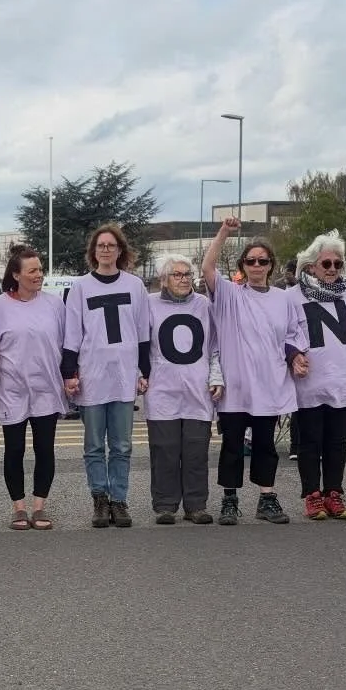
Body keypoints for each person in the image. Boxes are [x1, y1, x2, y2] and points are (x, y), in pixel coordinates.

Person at [201, 217, 306, 525]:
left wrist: (296, 357)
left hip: (269, 385)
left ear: (270, 265)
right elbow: (207, 268)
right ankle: (230, 499)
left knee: (265, 444)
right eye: (251, 261)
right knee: (232, 445)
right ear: (243, 265)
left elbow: (292, 335)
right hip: (237, 386)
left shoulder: (283, 299)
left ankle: (267, 498)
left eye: (263, 261)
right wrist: (223, 233)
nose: (257, 265)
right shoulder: (230, 295)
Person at [62, 223, 151, 529]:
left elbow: (143, 332)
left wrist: (144, 371)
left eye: (111, 245)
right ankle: (100, 498)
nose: (106, 250)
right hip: (93, 376)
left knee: (123, 445)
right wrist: (69, 372)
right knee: (94, 446)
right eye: (101, 245)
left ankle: (119, 499)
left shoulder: (134, 286)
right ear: (93, 251)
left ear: (120, 250)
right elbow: (72, 334)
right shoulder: (81, 288)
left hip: (124, 376)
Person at [289, 230, 346, 520]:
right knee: (309, 441)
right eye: (327, 264)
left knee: (337, 440)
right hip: (309, 379)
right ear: (311, 266)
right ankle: (312, 494)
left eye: (338, 263)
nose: (333, 269)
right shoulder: (293, 296)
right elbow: (284, 334)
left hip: (341, 377)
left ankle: (334, 491)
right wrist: (292, 355)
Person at [145, 254, 223, 524]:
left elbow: (214, 346)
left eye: (187, 274)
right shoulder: (149, 304)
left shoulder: (204, 305)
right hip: (162, 388)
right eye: (176, 275)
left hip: (197, 388)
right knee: (164, 448)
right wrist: (140, 374)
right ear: (163, 280)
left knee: (196, 449)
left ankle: (196, 504)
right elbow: (141, 344)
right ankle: (165, 505)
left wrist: (216, 377)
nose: (183, 279)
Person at [0, 245, 66, 530]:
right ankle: (18, 508)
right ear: (16, 274)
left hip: (47, 387)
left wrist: (70, 375)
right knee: (14, 449)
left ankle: (39, 507)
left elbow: (66, 342)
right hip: (11, 388)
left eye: (40, 269)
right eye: (32, 270)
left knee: (45, 448)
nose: (39, 275)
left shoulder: (54, 304)